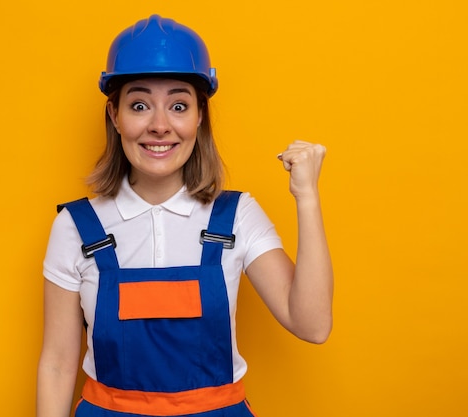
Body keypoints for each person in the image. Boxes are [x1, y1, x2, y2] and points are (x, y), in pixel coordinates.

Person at [37, 14, 333, 417]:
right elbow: (56, 364)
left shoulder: (236, 216)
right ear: (114, 116)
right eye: (139, 105)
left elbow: (312, 325)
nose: (160, 126)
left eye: (179, 105)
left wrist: (307, 198)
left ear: (199, 117)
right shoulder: (76, 227)